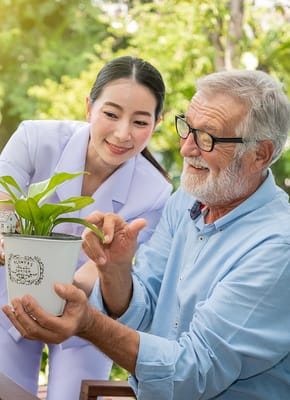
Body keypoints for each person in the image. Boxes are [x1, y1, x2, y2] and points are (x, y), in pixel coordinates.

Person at [3, 69, 290, 400]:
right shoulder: (186, 201)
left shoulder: (277, 248)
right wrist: (115, 271)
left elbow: (191, 374)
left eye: (207, 138)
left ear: (260, 155)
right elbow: (144, 311)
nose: (186, 149)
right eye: (188, 129)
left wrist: (88, 323)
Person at [0, 55, 172, 400]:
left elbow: (101, 269)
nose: (123, 134)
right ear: (89, 108)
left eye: (140, 121)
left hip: (83, 311)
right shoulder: (36, 139)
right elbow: (4, 206)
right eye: (111, 114)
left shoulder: (156, 192)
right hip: (8, 295)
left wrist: (63, 304)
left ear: (157, 123)